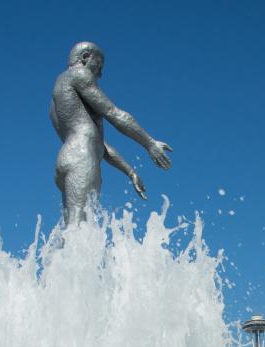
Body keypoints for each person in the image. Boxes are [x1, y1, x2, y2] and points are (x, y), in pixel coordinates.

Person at [50, 41, 173, 224]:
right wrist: (149, 143)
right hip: (82, 159)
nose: (100, 73)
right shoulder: (79, 74)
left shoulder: (57, 100)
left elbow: (100, 145)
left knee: (73, 232)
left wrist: (130, 172)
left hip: (67, 159)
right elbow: (113, 113)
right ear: (85, 58)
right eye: (98, 66)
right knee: (79, 232)